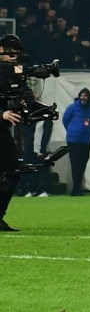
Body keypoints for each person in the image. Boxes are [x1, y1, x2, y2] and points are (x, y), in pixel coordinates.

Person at [1, 36, 34, 231]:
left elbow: (28, 95)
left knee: (13, 170)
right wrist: (1, 113)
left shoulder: (14, 74)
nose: (14, 58)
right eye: (11, 53)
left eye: (17, 54)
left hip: (2, 130)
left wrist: (27, 103)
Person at [61, 88, 90, 196]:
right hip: (73, 140)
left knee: (82, 164)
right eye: (81, 95)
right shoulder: (72, 107)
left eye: (85, 96)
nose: (83, 98)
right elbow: (65, 120)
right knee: (75, 164)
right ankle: (76, 188)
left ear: (89, 97)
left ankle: (78, 187)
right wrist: (71, 130)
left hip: (86, 140)